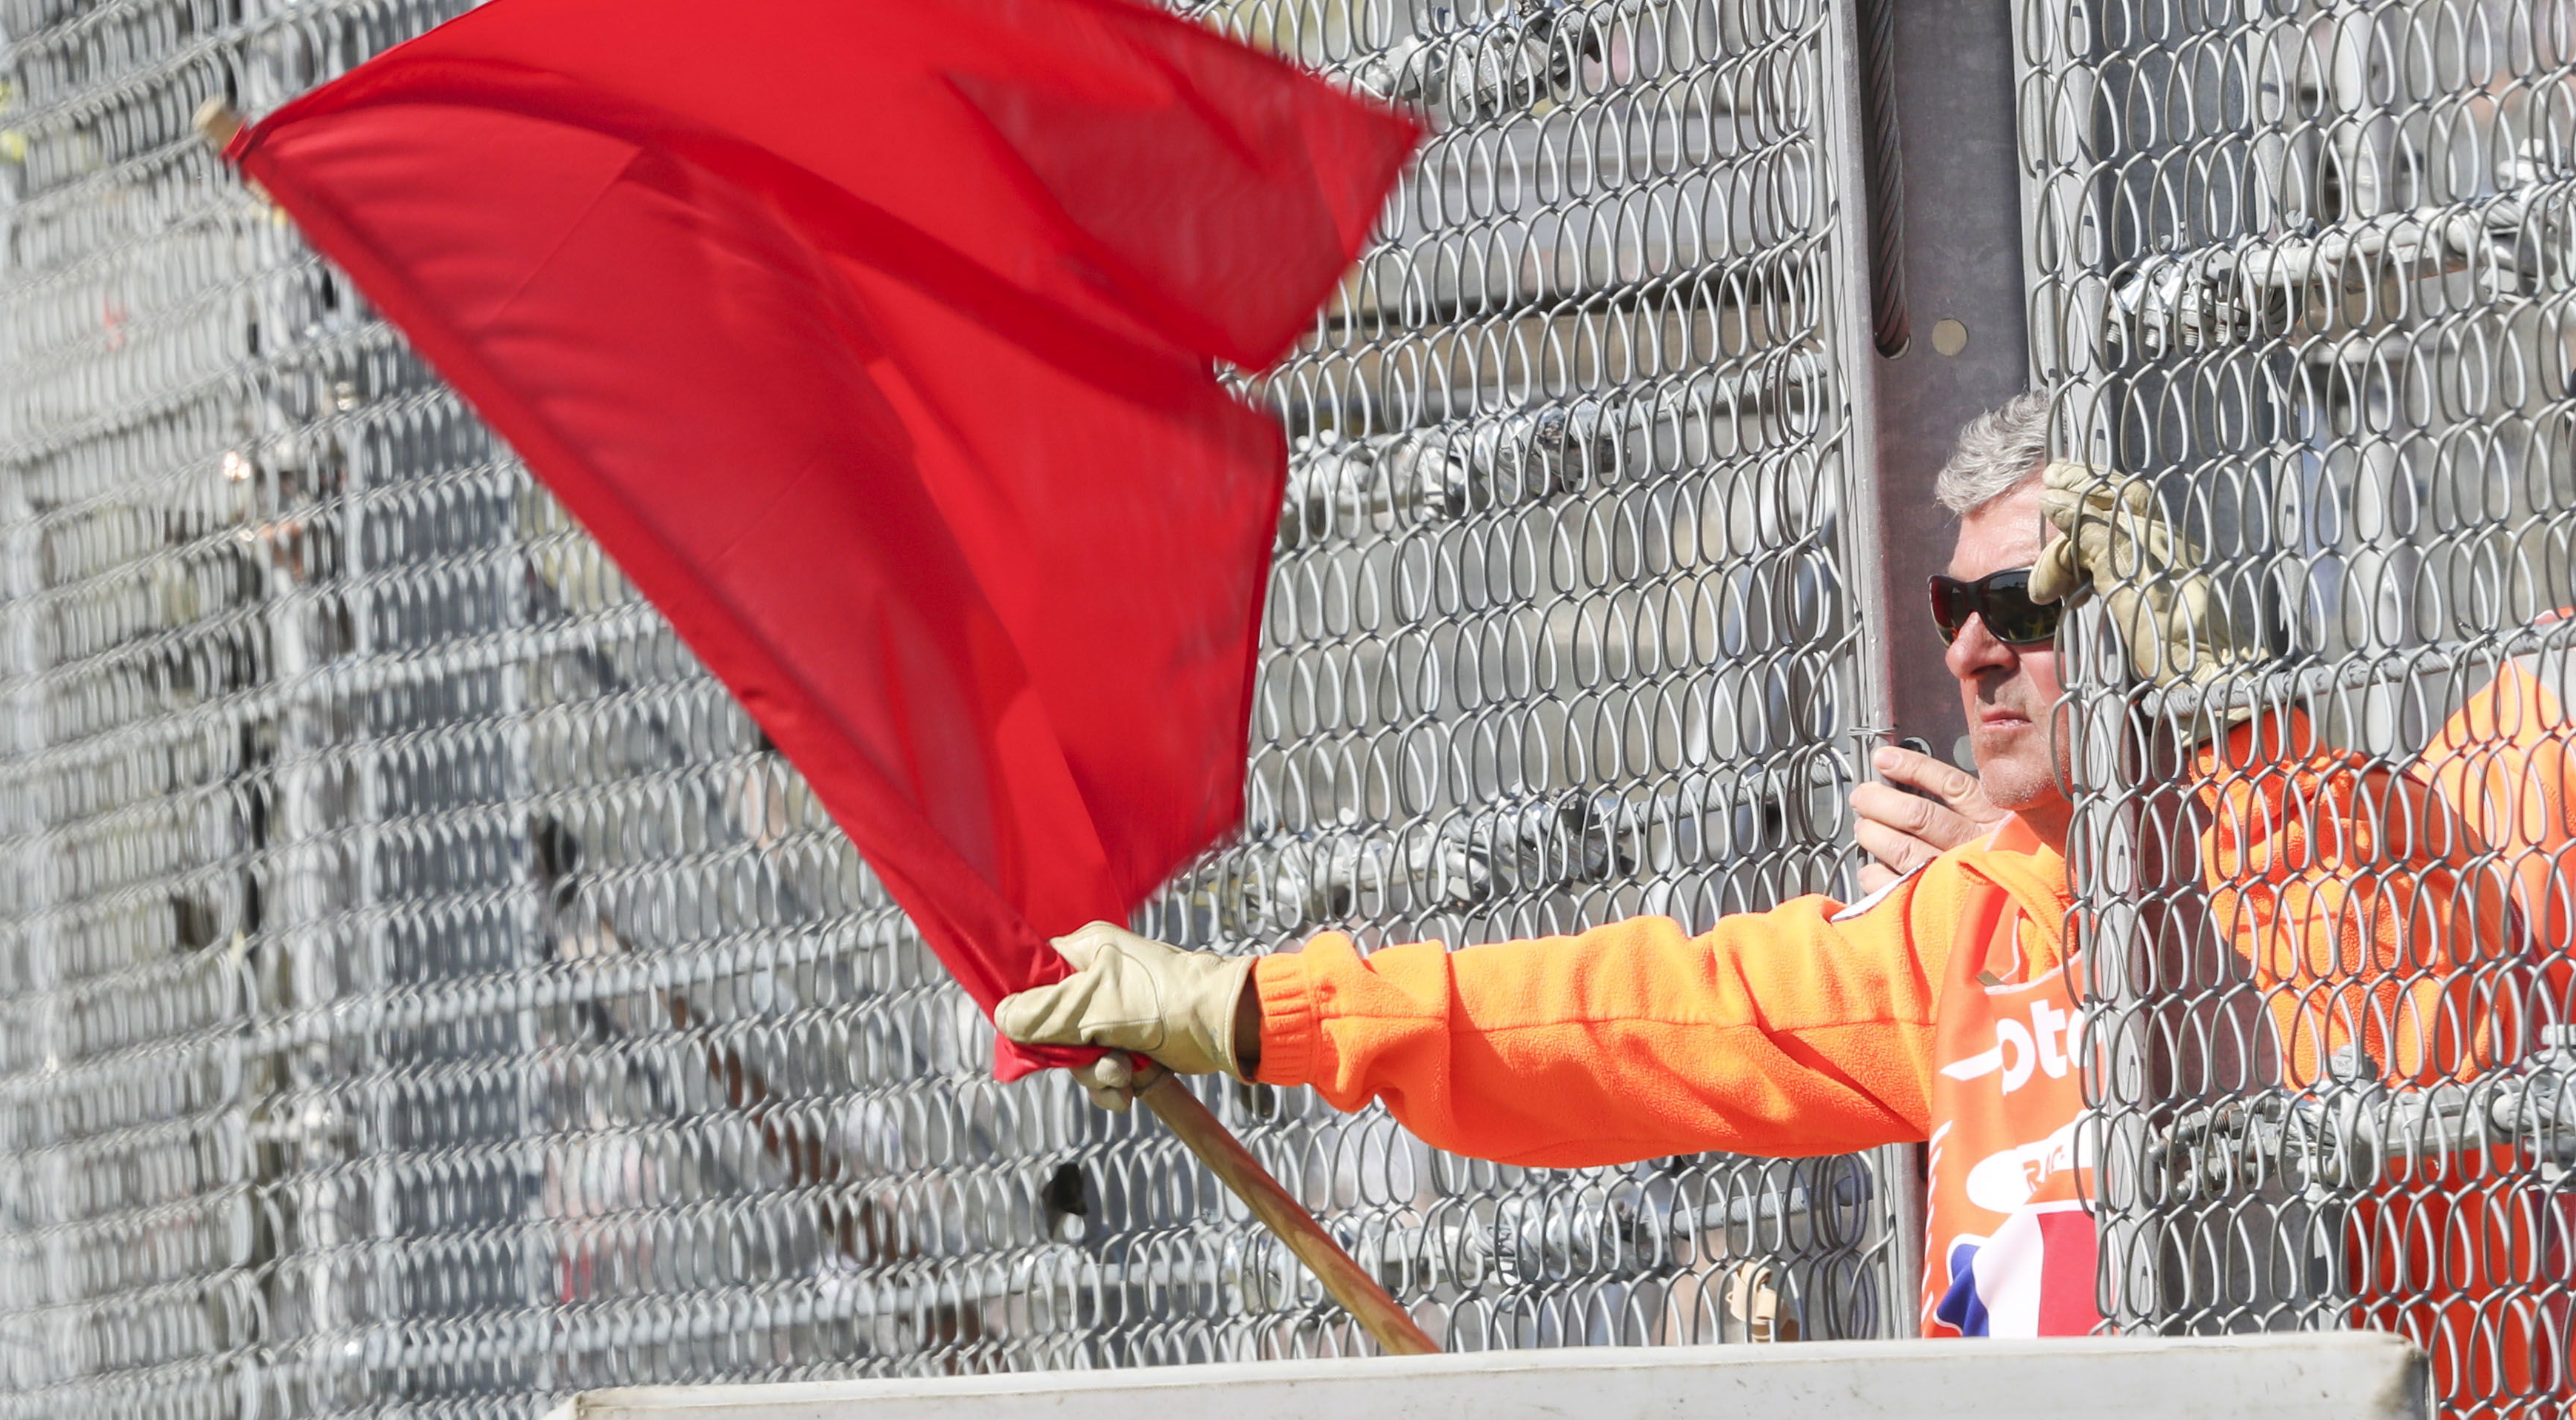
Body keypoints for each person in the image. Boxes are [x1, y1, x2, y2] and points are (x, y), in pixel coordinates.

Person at [997, 392, 2493, 1339]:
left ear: (2162, 614)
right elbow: (1641, 1017)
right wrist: (1261, 1011)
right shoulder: (1964, 924)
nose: (1974, 646)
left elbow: (2406, 1036)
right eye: (1949, 601)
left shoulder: (2339, 839)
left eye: (2029, 599)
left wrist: (2227, 719)